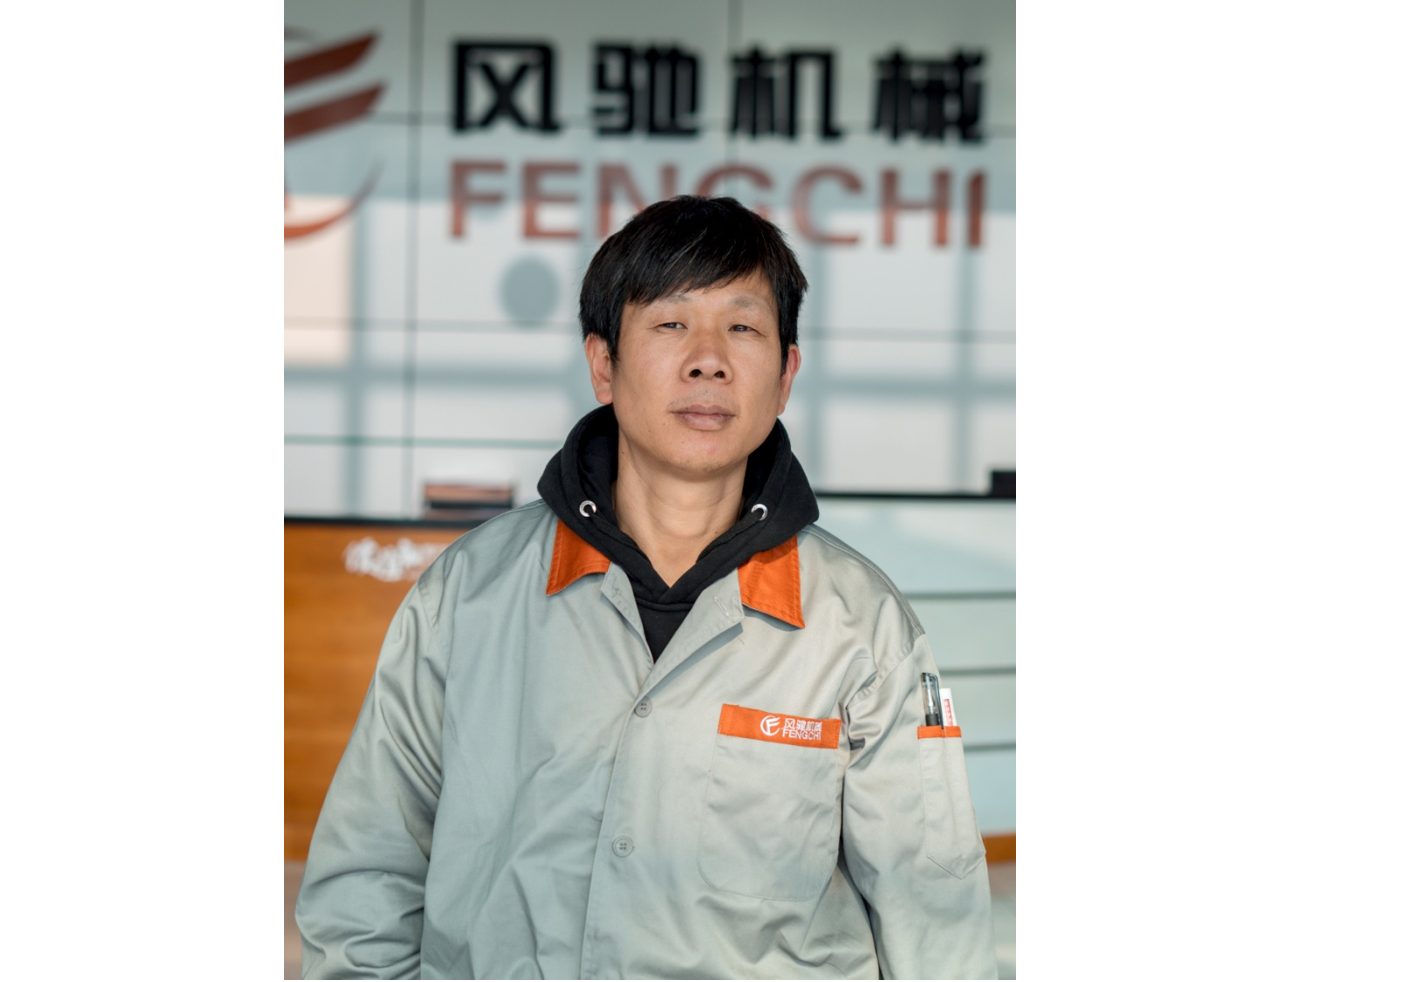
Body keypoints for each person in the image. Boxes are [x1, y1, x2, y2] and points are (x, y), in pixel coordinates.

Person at [296, 195, 997, 979]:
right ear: (604, 365)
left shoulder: (861, 626)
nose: (707, 359)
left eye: (742, 328)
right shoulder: (469, 594)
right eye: (670, 323)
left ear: (785, 375)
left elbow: (935, 912)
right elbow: (367, 874)